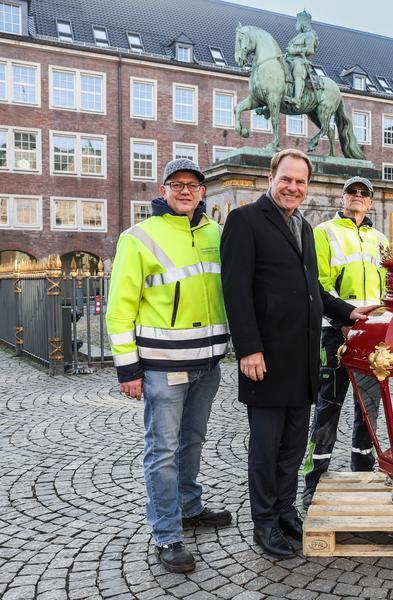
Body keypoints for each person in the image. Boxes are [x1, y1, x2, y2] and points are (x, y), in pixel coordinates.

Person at [220, 149, 375, 557]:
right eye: (286, 179)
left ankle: (287, 512)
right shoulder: (245, 220)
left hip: (302, 357)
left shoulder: (304, 228)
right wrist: (248, 349)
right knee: (266, 445)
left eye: (300, 182)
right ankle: (265, 523)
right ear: (272, 177)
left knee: (292, 445)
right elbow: (235, 292)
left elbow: (314, 291)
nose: (293, 187)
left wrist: (348, 311)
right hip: (266, 358)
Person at [106, 158, 231, 573]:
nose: (184, 191)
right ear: (163, 190)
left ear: (202, 192)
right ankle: (166, 533)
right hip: (162, 367)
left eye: (192, 185)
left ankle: (190, 507)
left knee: (192, 442)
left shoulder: (215, 233)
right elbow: (119, 310)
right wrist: (128, 370)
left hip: (208, 364)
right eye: (176, 184)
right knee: (162, 451)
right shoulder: (138, 237)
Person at [301, 176, 386, 508]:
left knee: (369, 411)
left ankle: (363, 472)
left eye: (365, 193)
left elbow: (387, 289)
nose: (358, 196)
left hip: (374, 336)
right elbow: (319, 285)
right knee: (328, 407)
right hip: (336, 332)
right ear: (343, 197)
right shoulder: (324, 233)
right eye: (353, 191)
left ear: (370, 202)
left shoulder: (380, 239)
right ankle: (315, 478)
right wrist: (346, 317)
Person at [285, 10, 318, 104]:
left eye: (298, 22)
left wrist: (295, 51)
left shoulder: (309, 35)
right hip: (289, 58)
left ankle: (297, 99)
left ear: (303, 23)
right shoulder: (298, 36)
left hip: (301, 61)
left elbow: (310, 50)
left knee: (298, 70)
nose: (296, 24)